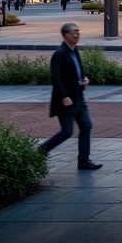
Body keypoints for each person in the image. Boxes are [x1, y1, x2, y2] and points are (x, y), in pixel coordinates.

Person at [38, 23, 101, 170]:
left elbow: (77, 72)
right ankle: (40, 151)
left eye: (78, 31)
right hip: (67, 99)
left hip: (78, 97)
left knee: (86, 125)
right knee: (67, 131)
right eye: (74, 32)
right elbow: (56, 77)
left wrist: (83, 79)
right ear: (66, 35)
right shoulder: (60, 54)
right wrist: (65, 96)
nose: (77, 34)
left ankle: (84, 160)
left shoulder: (74, 51)